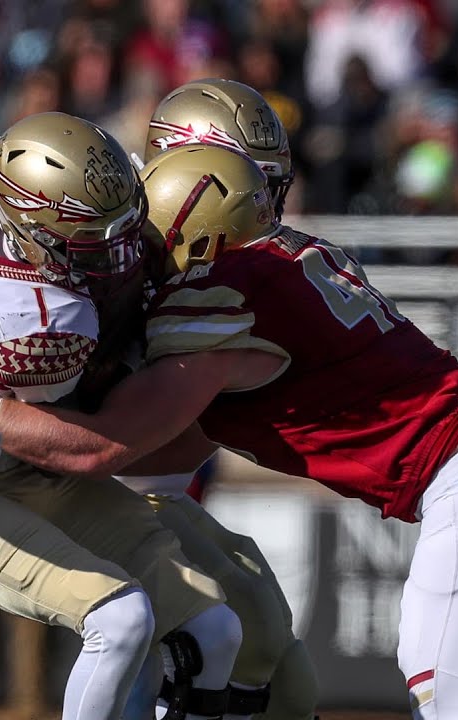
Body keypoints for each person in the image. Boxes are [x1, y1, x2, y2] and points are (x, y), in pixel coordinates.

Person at [0, 143, 458, 720]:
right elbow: (179, 446)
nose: (132, 260)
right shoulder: (296, 260)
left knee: (445, 701)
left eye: (145, 241)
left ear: (190, 237)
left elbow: (107, 443)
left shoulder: (218, 293)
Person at [0, 112, 245, 720]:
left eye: (123, 227)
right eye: (94, 240)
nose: (120, 252)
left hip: (19, 455)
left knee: (215, 629)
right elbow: (90, 446)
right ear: (29, 233)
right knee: (120, 618)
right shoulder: (42, 329)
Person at [132, 78, 318, 720]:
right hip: (92, 485)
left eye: (269, 188)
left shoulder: (221, 271)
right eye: (247, 185)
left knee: (285, 667)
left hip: (146, 482)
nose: (264, 208)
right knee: (235, 633)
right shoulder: (115, 250)